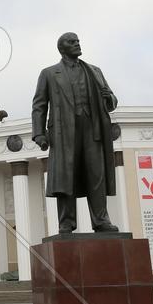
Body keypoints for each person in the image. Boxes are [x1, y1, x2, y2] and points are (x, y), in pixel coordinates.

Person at [32, 32, 119, 233]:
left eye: (78, 41)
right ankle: (67, 222)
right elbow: (39, 105)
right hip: (63, 132)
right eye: (72, 42)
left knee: (96, 175)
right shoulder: (49, 73)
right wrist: (39, 133)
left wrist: (109, 98)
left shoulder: (94, 71)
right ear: (62, 48)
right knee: (66, 177)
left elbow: (111, 101)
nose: (77, 44)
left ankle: (101, 220)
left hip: (93, 129)